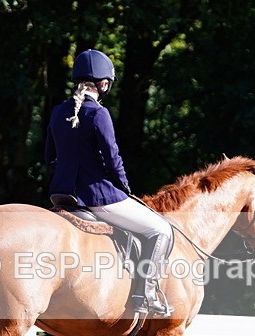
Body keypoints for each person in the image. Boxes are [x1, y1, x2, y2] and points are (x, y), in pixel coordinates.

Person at [45, 49, 174, 316]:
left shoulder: (58, 111)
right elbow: (113, 158)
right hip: (96, 197)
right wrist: (124, 189)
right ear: (103, 84)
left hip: (60, 194)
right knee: (161, 229)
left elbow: (49, 156)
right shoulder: (98, 114)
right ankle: (145, 294)